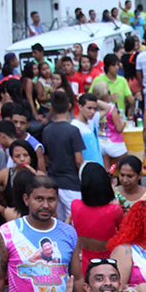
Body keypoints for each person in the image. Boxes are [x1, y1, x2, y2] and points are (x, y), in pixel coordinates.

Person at [69, 162, 124, 269]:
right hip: (110, 260)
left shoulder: (74, 205)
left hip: (86, 263)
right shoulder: (114, 210)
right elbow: (124, 234)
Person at [41, 91, 84, 221]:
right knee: (76, 221)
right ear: (69, 106)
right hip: (72, 183)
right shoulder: (73, 131)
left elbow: (46, 157)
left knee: (57, 222)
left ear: (52, 108)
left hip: (54, 183)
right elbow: (79, 160)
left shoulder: (47, 130)